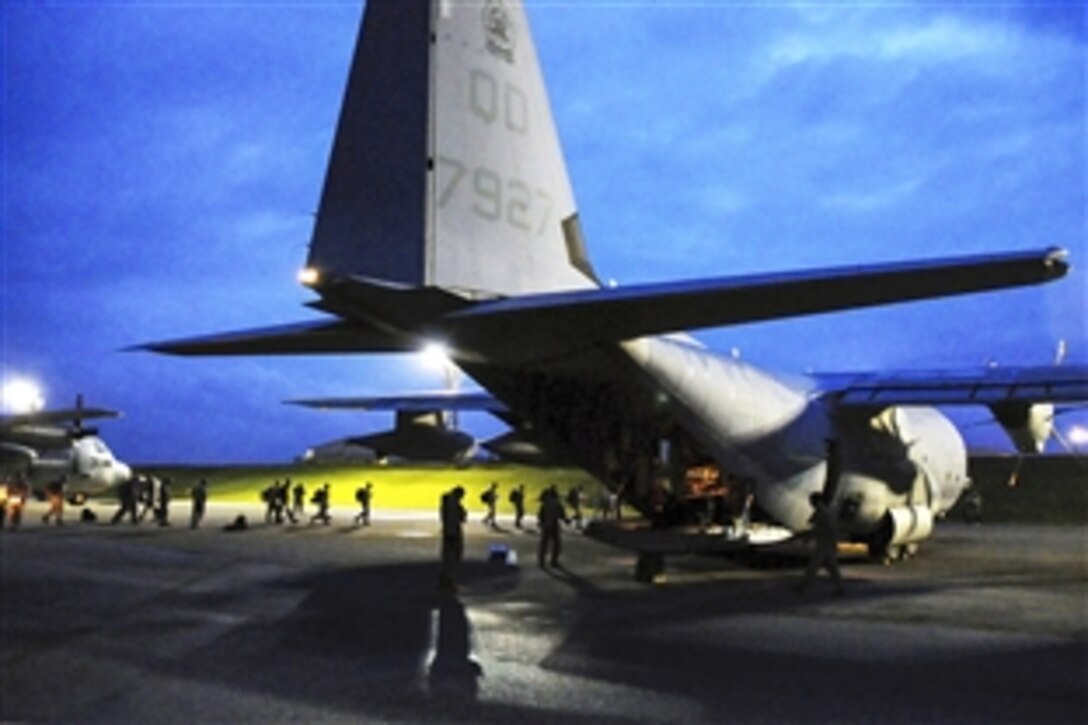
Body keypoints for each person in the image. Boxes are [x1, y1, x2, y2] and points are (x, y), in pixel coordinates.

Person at [796, 491, 844, 596]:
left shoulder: (823, 512)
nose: (810, 503)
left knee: (813, 566)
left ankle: (803, 586)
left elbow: (826, 528)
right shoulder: (824, 511)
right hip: (825, 542)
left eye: (812, 501)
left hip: (824, 543)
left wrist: (808, 536)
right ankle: (840, 587)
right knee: (832, 568)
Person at [439, 486, 467, 591]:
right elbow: (457, 518)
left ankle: (445, 581)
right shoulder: (453, 504)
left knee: (448, 558)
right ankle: (448, 582)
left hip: (450, 532)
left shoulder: (449, 503)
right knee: (452, 559)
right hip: (452, 533)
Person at [537, 486, 569, 568]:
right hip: (554, 525)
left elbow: (540, 514)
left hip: (546, 525)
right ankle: (553, 561)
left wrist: (541, 522)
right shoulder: (557, 503)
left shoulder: (545, 503)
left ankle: (541, 561)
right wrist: (567, 520)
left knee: (544, 543)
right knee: (556, 544)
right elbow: (562, 515)